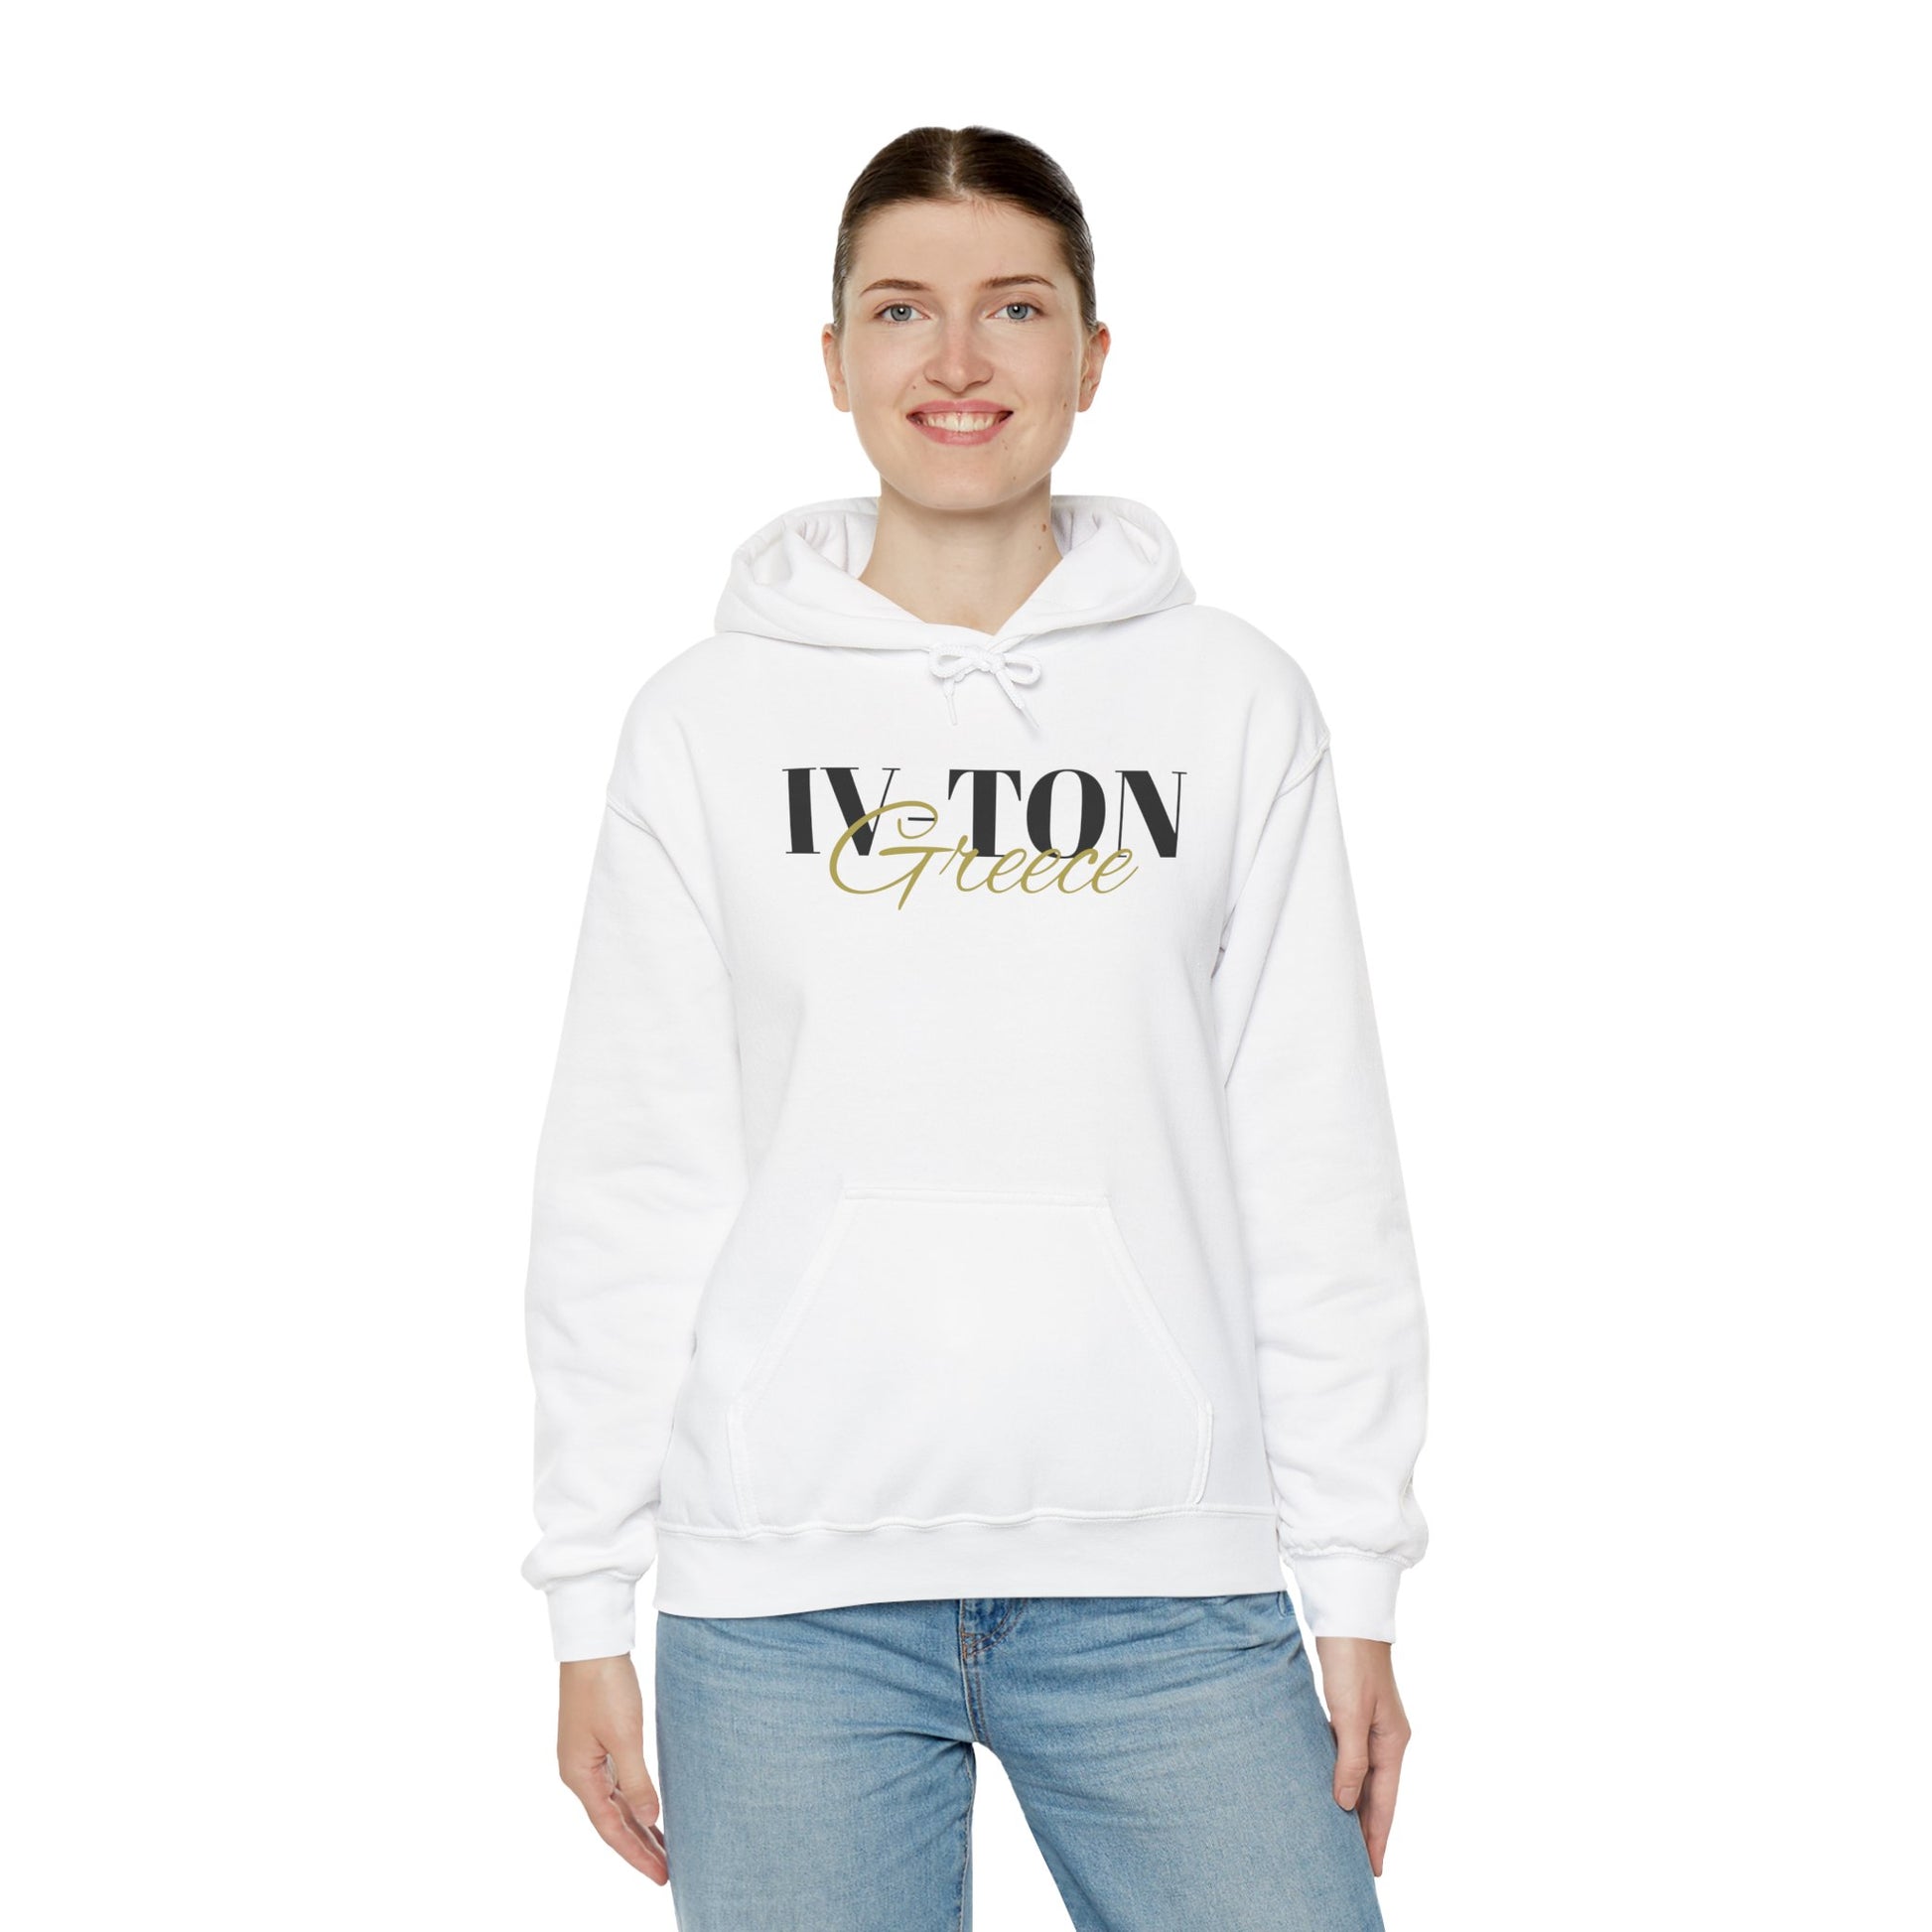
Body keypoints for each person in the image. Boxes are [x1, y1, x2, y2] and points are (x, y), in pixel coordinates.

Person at [520, 123, 1431, 1931]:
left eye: (1013, 306)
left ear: (1091, 355)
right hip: (784, 1603)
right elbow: (633, 1172)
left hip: (1164, 1582)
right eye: (900, 309)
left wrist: (1353, 1577)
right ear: (833, 357)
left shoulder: (1230, 701)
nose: (956, 358)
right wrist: (584, 1597)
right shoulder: (704, 723)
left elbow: (1310, 1151)